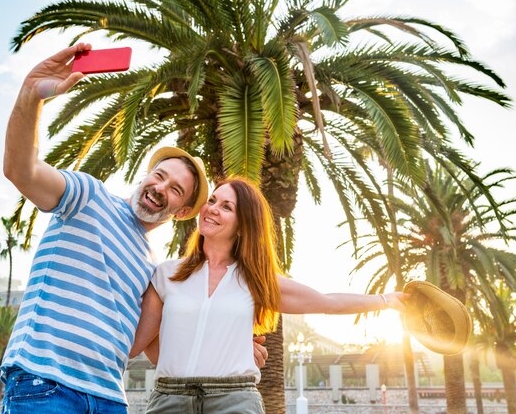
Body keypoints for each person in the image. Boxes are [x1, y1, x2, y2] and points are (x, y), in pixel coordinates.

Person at [0, 44, 267, 414]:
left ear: (183, 210)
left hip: (110, 397)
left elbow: (160, 341)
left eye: (175, 190)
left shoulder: (153, 270)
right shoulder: (88, 197)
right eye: (159, 176)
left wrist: (231, 344)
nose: (160, 188)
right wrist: (31, 96)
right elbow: (20, 170)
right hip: (47, 384)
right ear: (145, 175)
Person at [130, 177, 408, 414]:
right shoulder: (167, 274)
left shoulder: (256, 281)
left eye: (226, 207)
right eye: (212, 200)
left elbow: (327, 302)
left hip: (234, 401)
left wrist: (386, 301)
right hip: (169, 399)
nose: (212, 209)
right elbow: (139, 343)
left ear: (242, 225)